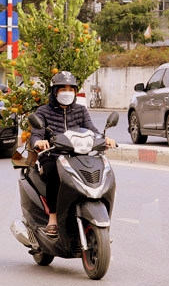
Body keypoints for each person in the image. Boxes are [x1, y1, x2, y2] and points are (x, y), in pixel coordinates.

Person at [29, 71, 117, 237]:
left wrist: (104, 139)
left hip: (78, 157)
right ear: (54, 92)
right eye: (62, 88)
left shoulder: (80, 111)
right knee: (54, 173)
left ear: (76, 92)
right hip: (53, 156)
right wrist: (38, 142)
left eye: (71, 88)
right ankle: (53, 218)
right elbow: (37, 134)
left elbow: (93, 131)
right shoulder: (43, 112)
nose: (67, 92)